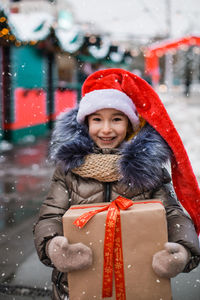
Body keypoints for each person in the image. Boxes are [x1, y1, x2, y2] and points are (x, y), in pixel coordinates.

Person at [33, 68, 200, 300]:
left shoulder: (148, 169)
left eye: (117, 119)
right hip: (76, 286)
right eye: (97, 119)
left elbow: (172, 214)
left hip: (139, 282)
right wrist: (55, 247)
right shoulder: (68, 170)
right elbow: (50, 217)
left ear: (130, 124)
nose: (107, 129)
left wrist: (181, 250)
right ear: (85, 123)